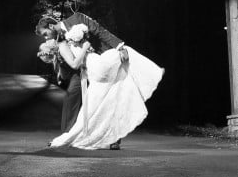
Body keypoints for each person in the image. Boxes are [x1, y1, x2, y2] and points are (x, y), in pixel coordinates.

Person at [37, 24, 163, 150]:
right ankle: (154, 72)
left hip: (95, 73)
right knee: (126, 51)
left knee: (93, 109)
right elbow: (75, 65)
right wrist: (85, 47)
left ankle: (70, 139)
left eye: (46, 36)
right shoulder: (63, 46)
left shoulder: (65, 40)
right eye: (46, 40)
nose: (47, 39)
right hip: (98, 66)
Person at [36, 12, 128, 140]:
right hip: (79, 69)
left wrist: (120, 47)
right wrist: (53, 57)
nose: (46, 38)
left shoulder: (77, 18)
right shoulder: (57, 40)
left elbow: (100, 31)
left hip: (98, 61)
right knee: (72, 94)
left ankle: (112, 138)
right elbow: (65, 65)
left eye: (45, 34)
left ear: (51, 26)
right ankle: (67, 136)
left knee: (105, 98)